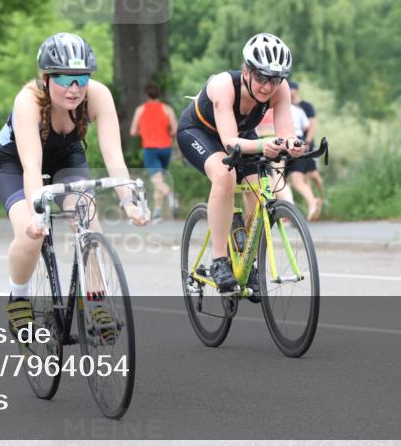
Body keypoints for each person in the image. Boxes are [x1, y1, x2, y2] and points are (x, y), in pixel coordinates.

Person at [0, 33, 147, 331]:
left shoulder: (98, 95)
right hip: (15, 163)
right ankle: (19, 297)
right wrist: (38, 215)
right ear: (47, 77)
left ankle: (97, 300)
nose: (74, 89)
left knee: (88, 220)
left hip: (67, 157)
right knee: (30, 235)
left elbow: (114, 154)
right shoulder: (28, 101)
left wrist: (128, 201)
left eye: (82, 78)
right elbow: (31, 165)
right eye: (64, 78)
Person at [176, 33, 306, 294]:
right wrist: (264, 145)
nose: (268, 87)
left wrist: (293, 145)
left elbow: (286, 133)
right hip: (200, 132)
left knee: (260, 191)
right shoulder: (224, 85)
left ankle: (248, 261)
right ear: (247, 71)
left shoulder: (280, 90)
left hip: (243, 135)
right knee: (225, 175)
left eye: (275, 79)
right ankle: (219, 261)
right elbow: (229, 143)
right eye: (261, 77)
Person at [129, 82, 177, 222]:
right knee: (159, 180)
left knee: (157, 181)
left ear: (146, 95)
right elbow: (174, 129)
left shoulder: (141, 109)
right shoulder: (167, 109)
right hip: (166, 149)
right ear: (159, 94)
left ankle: (170, 195)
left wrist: (144, 132)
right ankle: (157, 212)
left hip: (150, 149)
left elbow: (132, 131)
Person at [285, 81, 321, 220]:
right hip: (299, 141)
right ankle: (312, 202)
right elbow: (307, 126)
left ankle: (286, 214)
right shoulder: (298, 109)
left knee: (279, 181)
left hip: (282, 142)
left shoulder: (274, 107)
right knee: (298, 179)